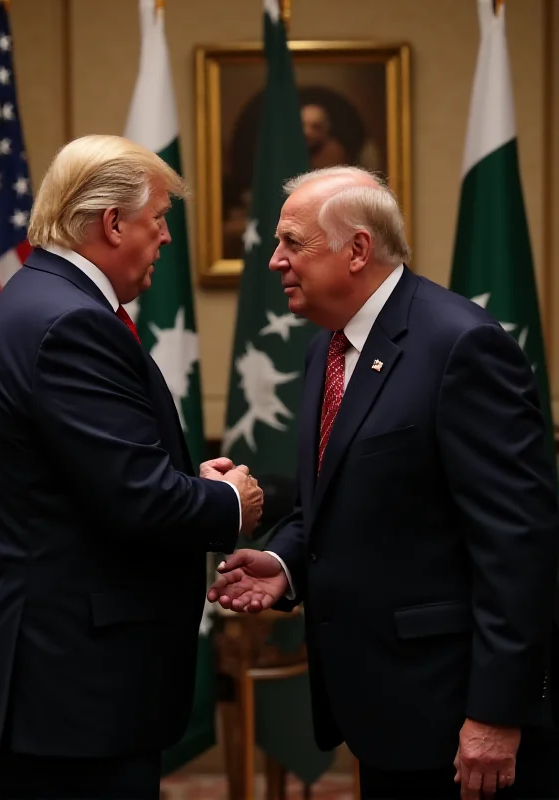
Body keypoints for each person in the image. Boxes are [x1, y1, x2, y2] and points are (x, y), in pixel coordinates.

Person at [208, 166, 559, 799]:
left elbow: (519, 544)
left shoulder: (460, 346)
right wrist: (284, 562)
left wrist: (497, 712)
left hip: (459, 719)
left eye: (292, 242)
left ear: (358, 249)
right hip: (382, 711)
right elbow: (343, 498)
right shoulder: (328, 348)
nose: (275, 261)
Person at [0, 134, 263, 800]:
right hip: (72, 683)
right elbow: (138, 498)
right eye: (158, 219)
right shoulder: (71, 321)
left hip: (61, 675)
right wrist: (229, 502)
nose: (164, 238)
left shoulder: (34, 300)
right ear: (112, 223)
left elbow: (92, 478)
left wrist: (190, 483)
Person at [300, 104, 348, 169]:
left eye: (315, 127)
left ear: (325, 129)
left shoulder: (333, 153)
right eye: (303, 125)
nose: (307, 132)